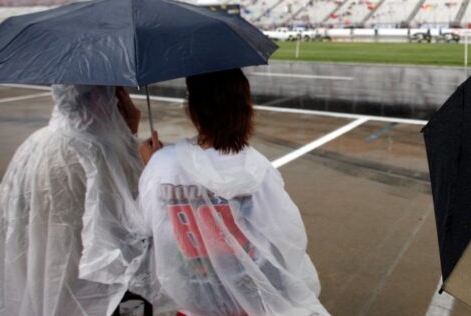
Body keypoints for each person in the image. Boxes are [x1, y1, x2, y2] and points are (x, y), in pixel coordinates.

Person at [138, 69, 328, 316]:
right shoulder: (256, 168)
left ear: (192, 109)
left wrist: (152, 167)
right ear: (244, 108)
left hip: (194, 303)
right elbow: (284, 239)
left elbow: (147, 230)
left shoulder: (162, 164)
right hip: (249, 302)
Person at [0, 85, 152, 316]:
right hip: (91, 298)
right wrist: (137, 148)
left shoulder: (34, 143)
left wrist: (125, 135)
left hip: (45, 287)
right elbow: (137, 225)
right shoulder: (98, 152)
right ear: (107, 98)